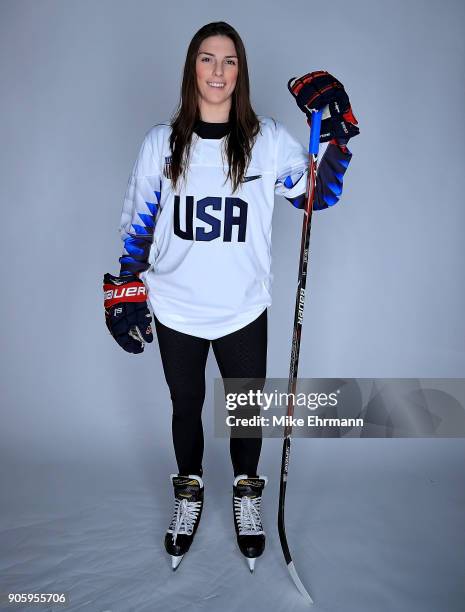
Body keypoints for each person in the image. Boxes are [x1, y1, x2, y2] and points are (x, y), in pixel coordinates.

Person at [103, 21, 359, 572]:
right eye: (206, 59)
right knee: (186, 405)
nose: (217, 71)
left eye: (229, 61)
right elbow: (137, 224)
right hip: (176, 305)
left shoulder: (266, 140)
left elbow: (317, 195)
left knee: (244, 413)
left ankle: (247, 495)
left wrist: (335, 137)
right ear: (191, 68)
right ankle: (188, 494)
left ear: (240, 72)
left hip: (242, 306)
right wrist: (126, 290)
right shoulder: (160, 143)